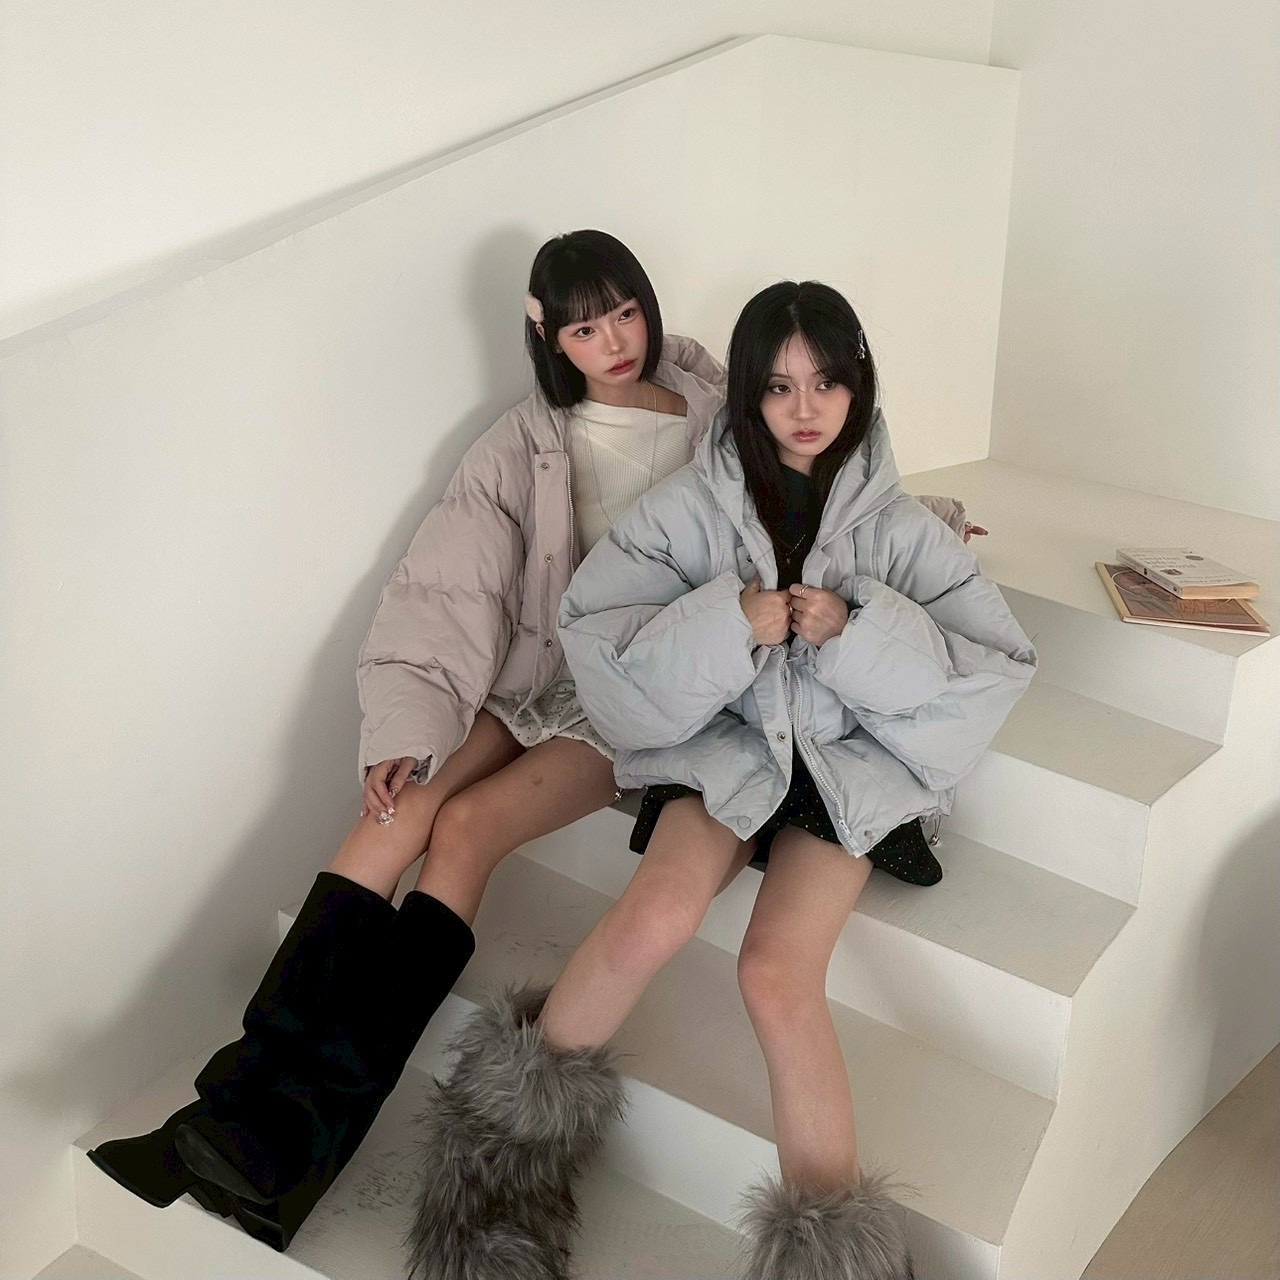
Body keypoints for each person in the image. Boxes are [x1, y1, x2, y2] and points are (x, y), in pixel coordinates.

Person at [409, 281, 1035, 1280]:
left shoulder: (904, 530)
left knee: (775, 974)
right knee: (651, 914)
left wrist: (855, 631)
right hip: (725, 747)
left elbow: (988, 676)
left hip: (847, 769)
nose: (804, 406)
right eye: (779, 385)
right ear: (746, 393)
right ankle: (486, 1199)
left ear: (858, 383)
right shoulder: (686, 509)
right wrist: (727, 621)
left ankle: (842, 1270)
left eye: (826, 381)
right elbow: (601, 651)